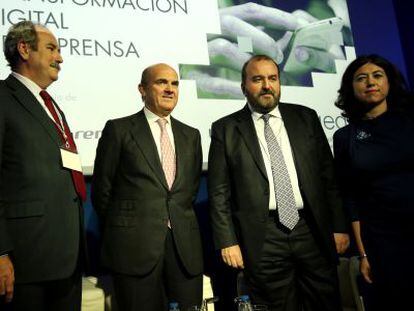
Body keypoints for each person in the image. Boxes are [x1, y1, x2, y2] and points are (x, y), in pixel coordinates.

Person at [208, 54, 349, 311]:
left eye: (272, 78)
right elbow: (219, 193)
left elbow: (329, 178)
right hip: (263, 236)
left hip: (311, 229)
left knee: (326, 301)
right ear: (243, 87)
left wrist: (339, 226)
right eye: (258, 79)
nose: (266, 86)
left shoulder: (306, 117)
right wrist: (227, 241)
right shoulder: (225, 129)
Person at [92, 63, 203, 311]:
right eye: (161, 82)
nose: (169, 89)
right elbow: (102, 191)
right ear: (142, 89)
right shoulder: (119, 129)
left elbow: (189, 190)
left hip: (184, 247)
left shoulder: (191, 135)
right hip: (134, 248)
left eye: (174, 84)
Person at [0, 21, 87, 310]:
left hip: (66, 259)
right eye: (51, 48)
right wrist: (0, 253)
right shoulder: (3, 97)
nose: (60, 57)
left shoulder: (49, 104)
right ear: (24, 49)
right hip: (26, 261)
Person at [333, 54, 414, 311]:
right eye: (361, 78)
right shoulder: (345, 137)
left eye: (377, 76)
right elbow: (351, 198)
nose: (370, 82)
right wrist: (364, 254)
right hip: (382, 240)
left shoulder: (410, 123)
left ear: (389, 82)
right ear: (351, 88)